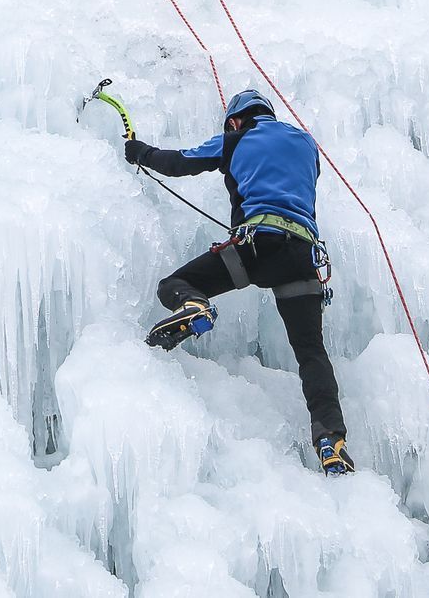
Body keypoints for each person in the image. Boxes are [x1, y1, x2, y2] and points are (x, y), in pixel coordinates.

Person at [126, 88, 355, 476]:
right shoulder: (305, 143)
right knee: (311, 353)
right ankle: (331, 439)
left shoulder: (237, 139)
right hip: (301, 257)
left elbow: (181, 162)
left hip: (254, 249)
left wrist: (139, 153)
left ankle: (193, 304)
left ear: (235, 120)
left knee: (174, 283)